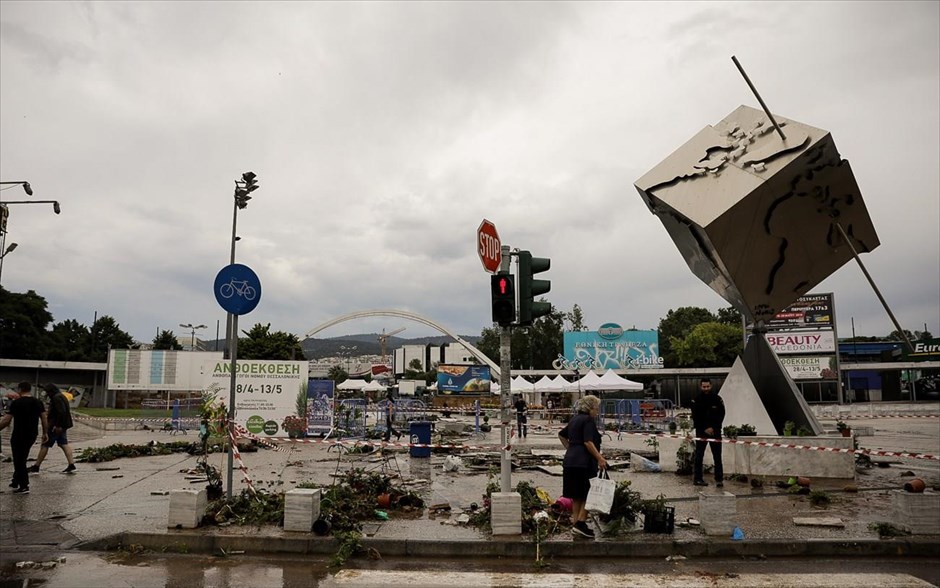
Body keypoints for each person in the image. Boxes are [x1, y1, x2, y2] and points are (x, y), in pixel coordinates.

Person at [558, 394, 607, 539]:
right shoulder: (587, 420)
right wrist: (600, 458)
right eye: (596, 408)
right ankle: (581, 523)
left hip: (570, 462)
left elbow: (561, 434)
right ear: (590, 408)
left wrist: (571, 449)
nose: (597, 411)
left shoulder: (574, 419)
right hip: (584, 463)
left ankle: (576, 525)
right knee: (589, 493)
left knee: (576, 495)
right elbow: (588, 442)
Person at [0, 383, 48, 494]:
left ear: (20, 389)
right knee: (22, 455)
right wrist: (45, 433)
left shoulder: (16, 403)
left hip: (19, 434)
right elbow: (44, 418)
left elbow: (6, 420)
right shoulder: (37, 402)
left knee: (19, 459)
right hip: (32, 434)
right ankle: (15, 480)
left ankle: (24, 485)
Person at [29, 384, 76, 474]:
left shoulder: (56, 398)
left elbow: (61, 411)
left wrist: (57, 425)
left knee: (45, 444)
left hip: (56, 426)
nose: (46, 394)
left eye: (47, 392)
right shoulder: (61, 396)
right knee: (63, 444)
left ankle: (36, 466)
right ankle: (71, 465)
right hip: (63, 425)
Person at [690, 378, 725, 487]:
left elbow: (721, 415)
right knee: (699, 455)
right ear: (701, 387)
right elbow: (695, 416)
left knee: (717, 456)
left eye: (707, 386)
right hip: (701, 431)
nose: (706, 388)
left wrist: (713, 428)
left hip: (715, 431)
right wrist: (705, 428)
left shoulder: (717, 399)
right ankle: (698, 479)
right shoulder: (696, 400)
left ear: (711, 386)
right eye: (704, 387)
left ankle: (719, 479)